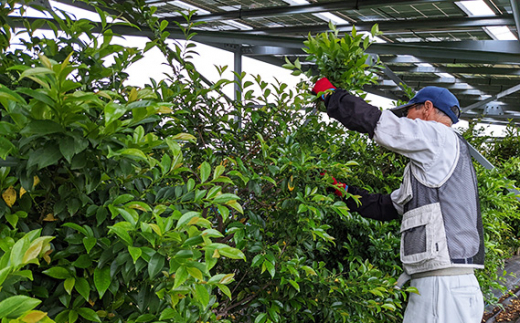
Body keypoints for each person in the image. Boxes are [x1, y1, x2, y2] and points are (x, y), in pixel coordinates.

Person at [312, 78, 485, 323]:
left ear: (427, 108)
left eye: (407, 112)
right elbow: (386, 207)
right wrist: (342, 190)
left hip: (442, 288)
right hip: (450, 285)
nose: (404, 119)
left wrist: (332, 96)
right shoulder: (438, 162)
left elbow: (379, 123)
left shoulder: (439, 137)